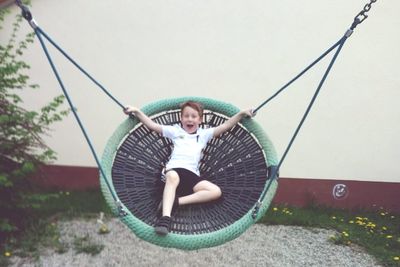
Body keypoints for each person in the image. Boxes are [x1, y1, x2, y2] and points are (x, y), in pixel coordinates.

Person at [124, 100, 253, 235]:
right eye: (186, 116)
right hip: (173, 171)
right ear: (181, 118)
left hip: (191, 176)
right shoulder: (175, 131)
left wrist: (241, 114)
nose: (189, 119)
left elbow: (226, 126)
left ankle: (176, 202)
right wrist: (137, 112)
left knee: (215, 191)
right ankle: (165, 219)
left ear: (200, 120)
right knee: (173, 177)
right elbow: (152, 125)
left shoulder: (203, 134)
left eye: (193, 116)